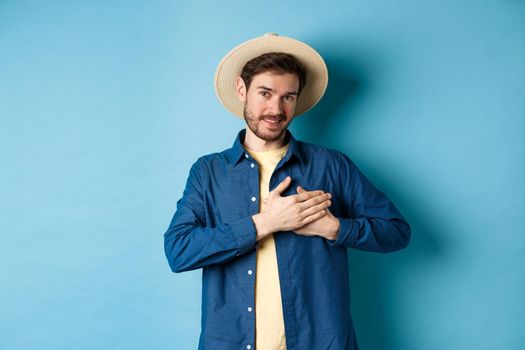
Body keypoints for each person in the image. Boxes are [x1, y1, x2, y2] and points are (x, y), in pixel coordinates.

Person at [164, 33, 411, 350]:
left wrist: (334, 228)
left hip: (320, 342)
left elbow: (397, 232)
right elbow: (178, 251)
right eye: (265, 93)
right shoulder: (209, 172)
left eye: (288, 97)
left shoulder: (331, 166)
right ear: (242, 90)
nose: (275, 108)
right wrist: (265, 223)